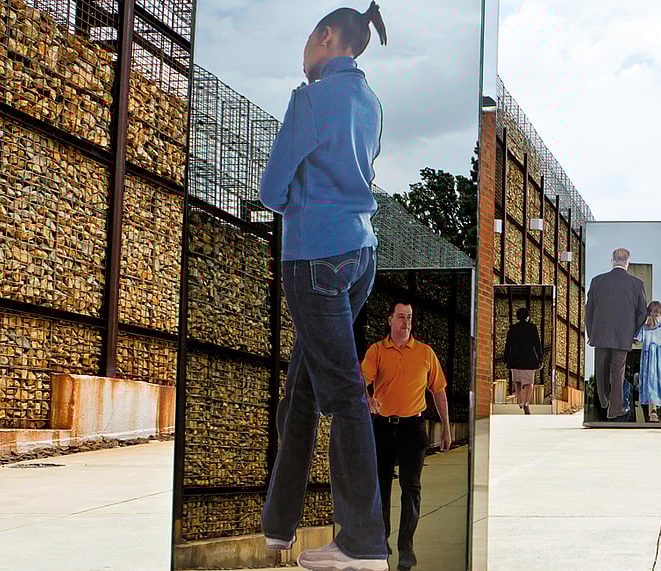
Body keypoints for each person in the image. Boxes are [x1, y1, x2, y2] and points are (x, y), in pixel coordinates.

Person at [257, 4, 390, 570]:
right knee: (303, 392)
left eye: (310, 42)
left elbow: (269, 188)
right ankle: (279, 526)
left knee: (341, 395)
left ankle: (362, 544)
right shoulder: (372, 104)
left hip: (313, 258)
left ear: (327, 37)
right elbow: (365, 168)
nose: (305, 54)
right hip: (361, 255)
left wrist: (298, 202)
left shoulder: (308, 100)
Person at [360, 300, 453, 571]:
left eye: (409, 317)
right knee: (381, 489)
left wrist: (446, 427)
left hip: (413, 428)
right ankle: (381, 543)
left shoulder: (425, 353)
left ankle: (406, 549)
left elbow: (438, 391)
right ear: (390, 320)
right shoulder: (377, 351)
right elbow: (361, 379)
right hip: (382, 427)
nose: (406, 322)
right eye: (401, 317)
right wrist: (367, 398)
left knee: (411, 490)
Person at [585, 248, 649, 420]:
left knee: (601, 369)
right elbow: (643, 312)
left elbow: (589, 310)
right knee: (617, 372)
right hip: (623, 336)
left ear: (612, 260)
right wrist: (633, 332)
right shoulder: (637, 284)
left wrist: (591, 332)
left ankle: (604, 402)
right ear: (628, 262)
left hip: (600, 333)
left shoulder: (597, 281)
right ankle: (615, 409)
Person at [636, 301, 661, 423]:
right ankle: (660, 411)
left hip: (648, 360)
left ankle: (652, 411)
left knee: (650, 384)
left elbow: (637, 341)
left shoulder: (644, 328)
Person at [503, 307, 543, 415]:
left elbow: (508, 344)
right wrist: (540, 358)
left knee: (518, 381)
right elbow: (537, 344)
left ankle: (520, 401)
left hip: (515, 359)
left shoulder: (513, 328)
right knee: (529, 382)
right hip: (529, 359)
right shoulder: (532, 327)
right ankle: (526, 403)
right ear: (527, 316)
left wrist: (505, 358)